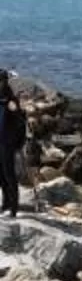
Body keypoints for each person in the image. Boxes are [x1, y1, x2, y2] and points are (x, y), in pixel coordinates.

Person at [0, 85, 27, 217]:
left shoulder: (11, 102)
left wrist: (19, 143)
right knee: (2, 176)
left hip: (7, 144)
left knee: (9, 175)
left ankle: (13, 208)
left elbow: (21, 121)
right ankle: (5, 203)